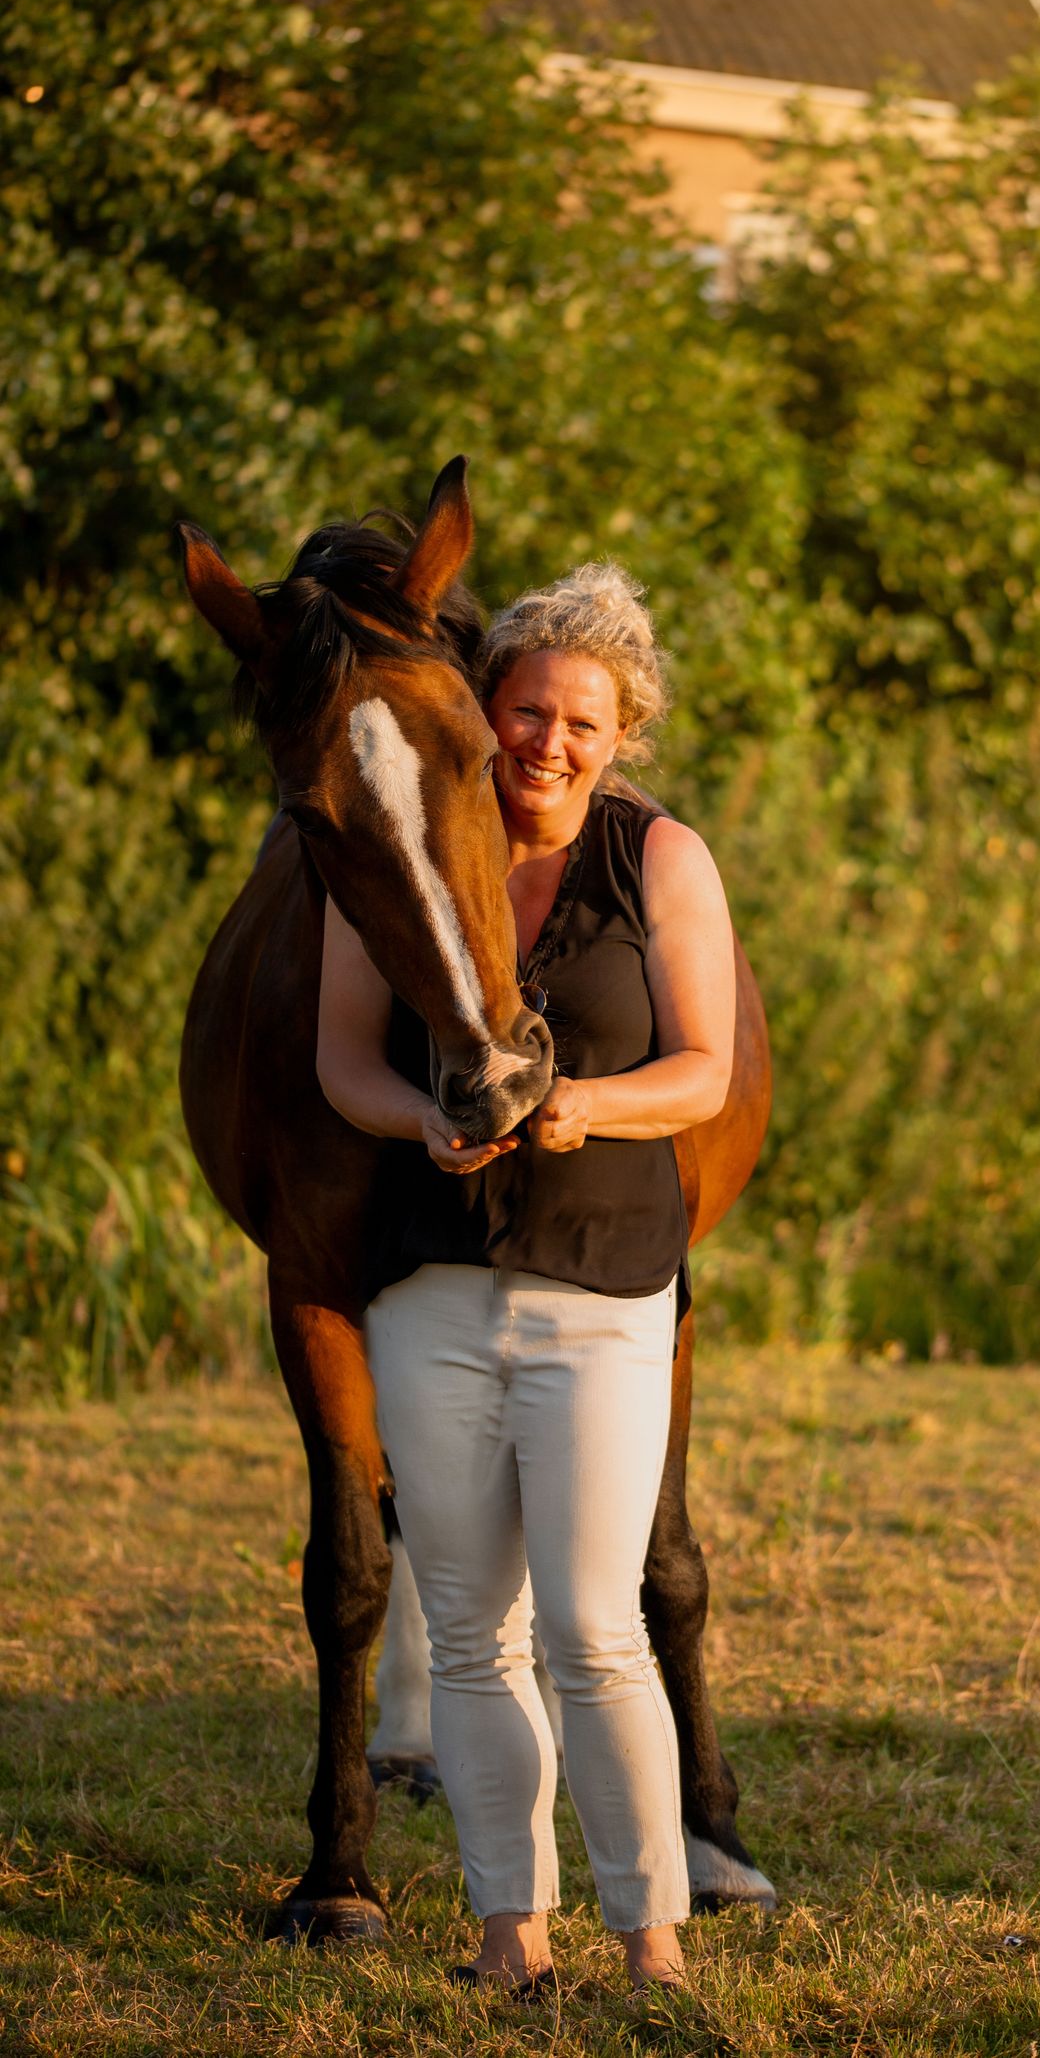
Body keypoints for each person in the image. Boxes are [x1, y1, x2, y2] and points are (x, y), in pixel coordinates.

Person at [315, 563, 735, 1996]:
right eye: (526, 709)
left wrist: (583, 1108)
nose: (548, 740)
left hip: (604, 1294)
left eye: (582, 719)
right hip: (430, 1290)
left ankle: (651, 1939)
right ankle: (511, 1932)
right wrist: (414, 1117)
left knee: (593, 1626)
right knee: (471, 1628)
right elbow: (342, 1059)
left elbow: (707, 1069)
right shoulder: (413, 834)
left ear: (623, 736)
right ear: (483, 710)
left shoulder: (658, 859)